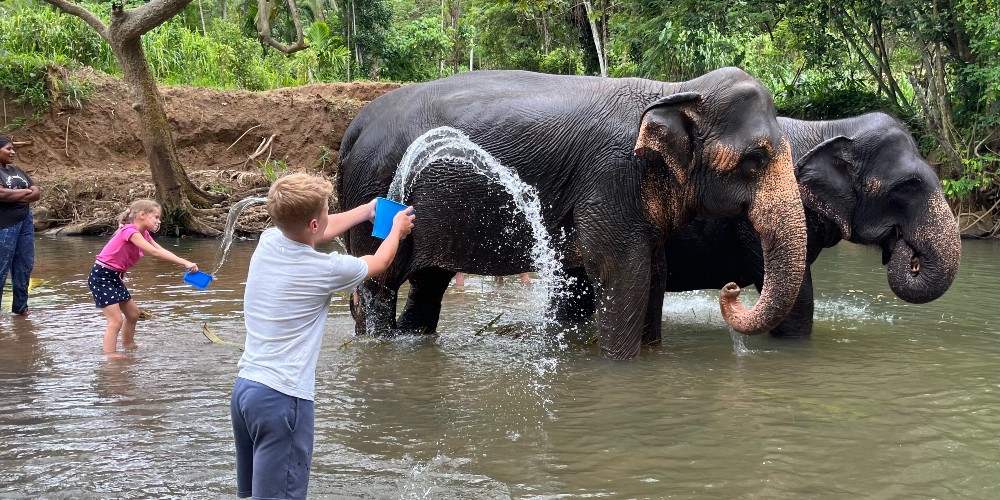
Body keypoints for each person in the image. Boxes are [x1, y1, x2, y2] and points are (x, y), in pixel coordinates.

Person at [230, 173, 414, 500]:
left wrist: (367, 210)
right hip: (282, 400)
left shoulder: (269, 240)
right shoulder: (325, 269)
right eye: (327, 210)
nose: (328, 217)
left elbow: (318, 228)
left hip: (246, 392)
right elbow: (381, 260)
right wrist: (396, 230)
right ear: (314, 224)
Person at [88, 199, 198, 358]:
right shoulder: (130, 231)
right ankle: (110, 354)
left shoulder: (143, 234)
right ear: (142, 215)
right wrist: (185, 262)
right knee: (116, 321)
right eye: (156, 217)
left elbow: (160, 249)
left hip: (114, 277)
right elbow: (155, 253)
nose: (158, 221)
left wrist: (184, 263)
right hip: (102, 276)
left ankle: (128, 344)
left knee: (133, 314)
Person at [0, 136, 41, 317]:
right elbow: (2, 195)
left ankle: (21, 309)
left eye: (13, 148)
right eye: (8, 149)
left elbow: (36, 192)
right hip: (4, 225)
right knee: (1, 269)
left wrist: (18, 194)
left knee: (24, 266)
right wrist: (26, 192)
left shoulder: (17, 170)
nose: (13, 152)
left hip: (25, 220)